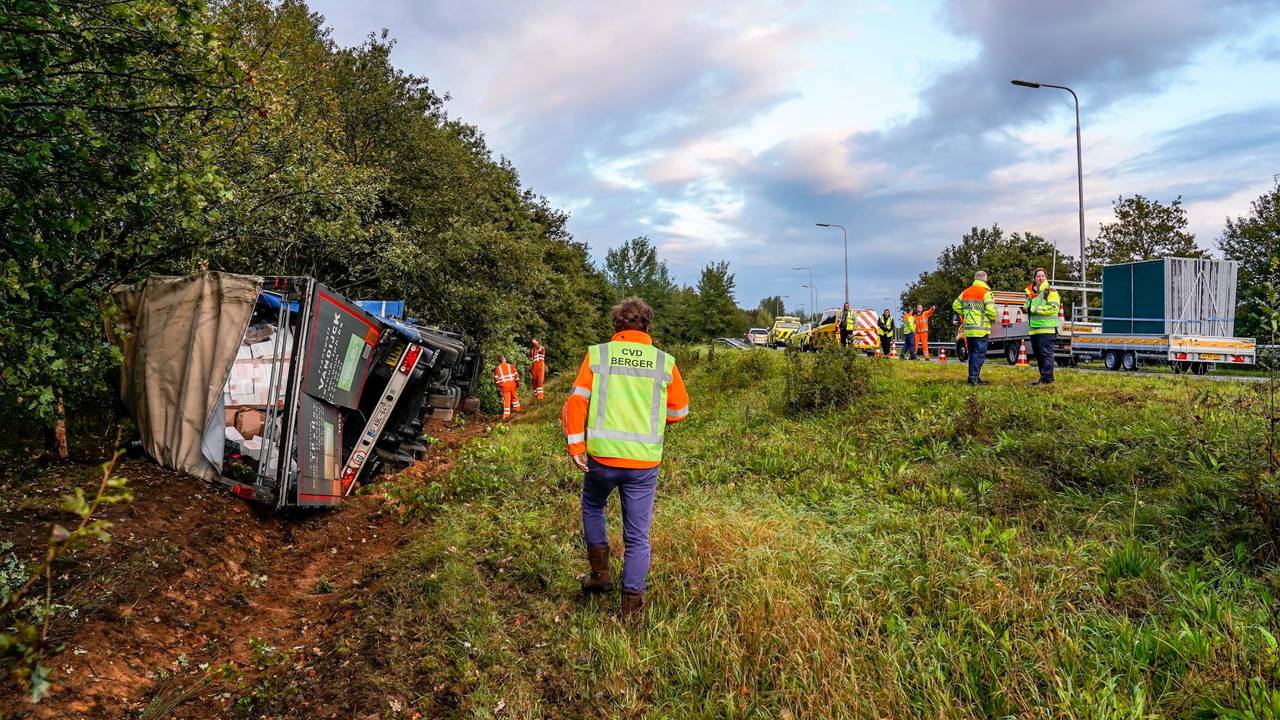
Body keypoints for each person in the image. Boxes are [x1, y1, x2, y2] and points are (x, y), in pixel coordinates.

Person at [561, 297, 689, 618]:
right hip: (643, 464)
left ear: (616, 326)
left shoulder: (598, 355)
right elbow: (679, 411)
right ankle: (631, 608)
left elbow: (576, 402)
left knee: (592, 506)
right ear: (647, 326)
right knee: (637, 536)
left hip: (601, 459)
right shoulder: (664, 362)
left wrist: (576, 447)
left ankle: (600, 576)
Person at [952, 271, 998, 385]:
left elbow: (955, 305)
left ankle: (974, 377)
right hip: (981, 329)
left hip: (969, 328)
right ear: (985, 279)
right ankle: (973, 379)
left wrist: (965, 313)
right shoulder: (986, 292)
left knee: (972, 354)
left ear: (975, 279)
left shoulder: (966, 292)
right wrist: (993, 319)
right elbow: (991, 311)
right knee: (979, 354)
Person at [1024, 267, 1062, 385]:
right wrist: (1025, 308)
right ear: (1034, 279)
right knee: (1039, 355)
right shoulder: (1032, 293)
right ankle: (1044, 378)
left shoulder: (1051, 291)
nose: (1040, 278)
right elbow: (1027, 306)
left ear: (1046, 277)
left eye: (1042, 276)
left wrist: (1032, 309)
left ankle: (1047, 380)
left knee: (1046, 355)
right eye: (1038, 276)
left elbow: (1053, 309)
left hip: (1047, 329)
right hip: (1035, 330)